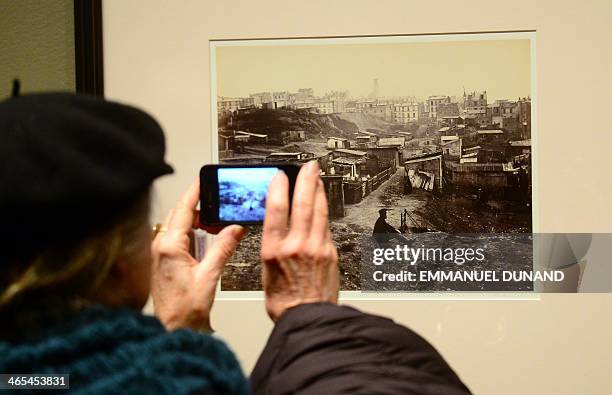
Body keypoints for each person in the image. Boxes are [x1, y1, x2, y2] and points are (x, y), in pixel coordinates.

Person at [0, 93, 470, 394]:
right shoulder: (179, 382)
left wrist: (183, 330)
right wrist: (310, 316)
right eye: (145, 228)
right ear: (114, 265)